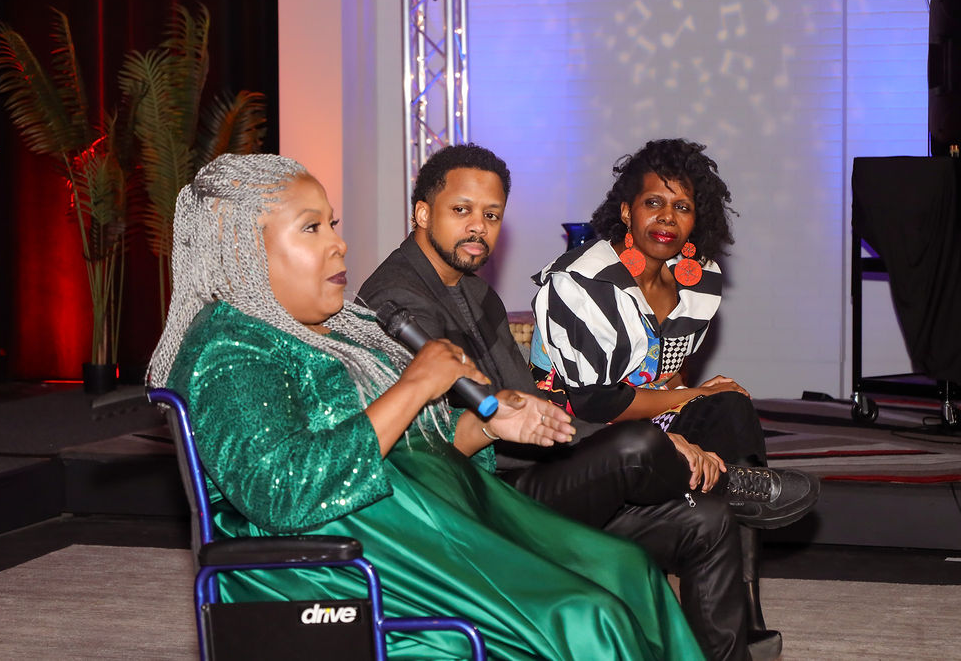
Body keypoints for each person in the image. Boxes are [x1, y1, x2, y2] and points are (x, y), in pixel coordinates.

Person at [147, 153, 703, 660]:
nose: (338, 243)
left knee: (626, 569)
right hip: (340, 559)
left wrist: (490, 422)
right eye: (312, 228)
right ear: (239, 242)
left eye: (332, 224)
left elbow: (416, 441)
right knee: (587, 616)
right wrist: (413, 385)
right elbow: (285, 492)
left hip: (421, 517)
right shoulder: (231, 349)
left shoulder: (337, 327)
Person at [359, 143, 796, 660]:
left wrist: (667, 423)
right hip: (479, 500)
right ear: (423, 213)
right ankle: (723, 475)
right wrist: (664, 440)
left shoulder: (475, 293)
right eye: (462, 211)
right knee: (638, 442)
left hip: (525, 475)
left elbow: (534, 407)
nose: (478, 227)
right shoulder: (398, 302)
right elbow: (433, 439)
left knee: (709, 520)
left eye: (492, 214)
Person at [532, 138, 820, 659]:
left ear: (696, 219)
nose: (667, 218)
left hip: (641, 418)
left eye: (682, 206)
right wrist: (682, 401)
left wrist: (686, 396)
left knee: (729, 403)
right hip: (580, 437)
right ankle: (728, 491)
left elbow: (666, 367)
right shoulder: (582, 281)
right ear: (626, 210)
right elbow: (595, 401)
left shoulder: (699, 278)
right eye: (653, 203)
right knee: (699, 406)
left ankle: (737, 535)